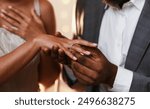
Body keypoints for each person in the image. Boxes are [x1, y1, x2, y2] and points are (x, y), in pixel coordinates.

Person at [0, 0, 96, 92]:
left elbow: (48, 80)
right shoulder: (38, 40)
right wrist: (36, 41)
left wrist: (42, 42)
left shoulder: (42, 8)